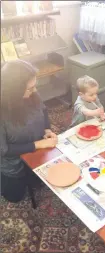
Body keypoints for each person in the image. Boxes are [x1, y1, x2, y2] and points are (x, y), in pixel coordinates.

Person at [1, 60, 58, 203]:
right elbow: (4, 150)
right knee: (15, 197)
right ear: (13, 90)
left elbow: (43, 110)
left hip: (37, 153)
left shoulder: (32, 94)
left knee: (39, 183)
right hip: (12, 163)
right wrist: (38, 144)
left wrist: (46, 128)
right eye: (30, 88)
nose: (35, 91)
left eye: (35, 87)